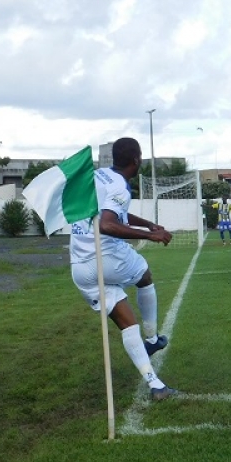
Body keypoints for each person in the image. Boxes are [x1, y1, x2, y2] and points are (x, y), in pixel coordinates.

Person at [69, 137, 177, 402]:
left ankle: (155, 385)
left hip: (80, 267)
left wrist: (148, 223)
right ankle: (151, 339)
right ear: (137, 159)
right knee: (145, 273)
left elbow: (114, 214)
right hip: (106, 258)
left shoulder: (100, 176)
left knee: (127, 322)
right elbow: (107, 224)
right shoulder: (120, 185)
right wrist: (150, 235)